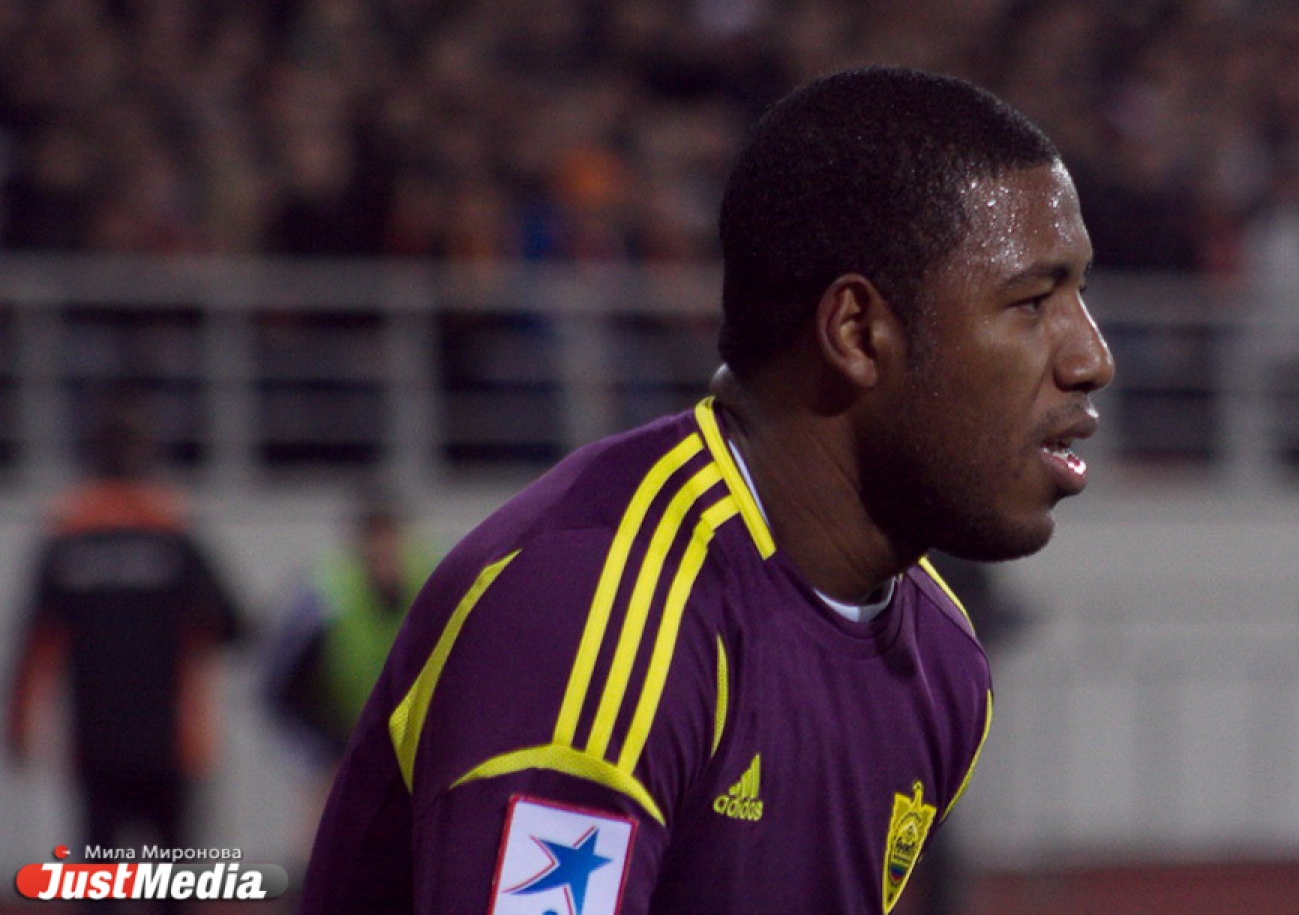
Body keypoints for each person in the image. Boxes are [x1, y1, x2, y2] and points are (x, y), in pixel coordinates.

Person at [301, 65, 1115, 914]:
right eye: (1033, 301)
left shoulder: (943, 663)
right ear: (856, 331)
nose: (1092, 357)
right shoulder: (595, 616)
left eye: (1081, 295)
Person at [5, 411, 243, 867]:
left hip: (95, 743)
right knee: (172, 879)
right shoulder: (170, 530)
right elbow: (229, 625)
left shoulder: (67, 536)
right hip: (171, 741)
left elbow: (36, 643)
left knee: (100, 876)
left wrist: (19, 730)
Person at [265, 493, 433, 771]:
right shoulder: (323, 597)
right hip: (345, 750)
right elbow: (283, 691)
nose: (382, 550)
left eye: (389, 537)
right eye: (373, 538)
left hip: (424, 753)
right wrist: (320, 758)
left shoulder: (439, 586)